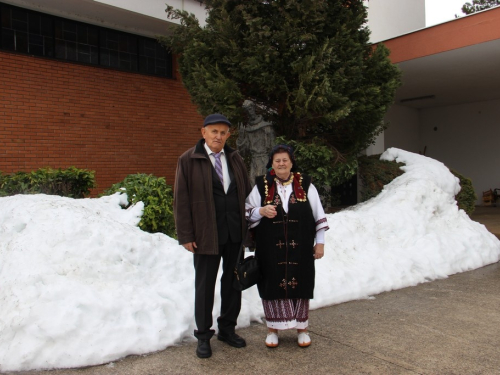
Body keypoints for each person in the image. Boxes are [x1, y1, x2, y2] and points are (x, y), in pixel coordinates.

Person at [174, 113, 252, 358]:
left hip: (234, 233)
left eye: (223, 132)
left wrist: (251, 230)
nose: (218, 136)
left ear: (228, 135)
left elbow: (248, 195)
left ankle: (227, 330)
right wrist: (186, 235)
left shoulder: (235, 158)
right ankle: (203, 336)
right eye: (214, 131)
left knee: (233, 284)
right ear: (203, 132)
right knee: (205, 286)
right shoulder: (188, 160)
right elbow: (181, 200)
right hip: (206, 234)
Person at [245, 144, 329, 348]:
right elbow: (247, 211)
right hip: (269, 248)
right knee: (271, 285)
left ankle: (302, 329)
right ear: (271, 164)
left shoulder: (306, 184)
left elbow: (318, 214)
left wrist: (320, 244)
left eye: (285, 160)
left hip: (300, 248)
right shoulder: (261, 185)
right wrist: (262, 211)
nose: (281, 163)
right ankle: (272, 330)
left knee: (301, 284)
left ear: (291, 162)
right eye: (277, 160)